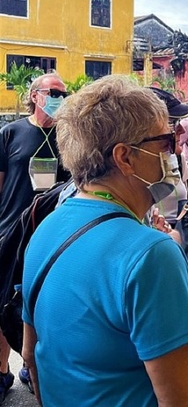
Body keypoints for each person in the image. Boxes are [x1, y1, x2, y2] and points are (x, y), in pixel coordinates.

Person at [22, 75, 188, 406]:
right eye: (166, 142)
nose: (175, 153)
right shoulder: (150, 254)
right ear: (125, 157)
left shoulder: (45, 229)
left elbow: (32, 358)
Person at [0, 72, 71, 399]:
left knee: (45, 303)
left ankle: (33, 367)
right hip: (10, 232)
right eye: (53, 92)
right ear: (35, 95)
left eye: (63, 93)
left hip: (52, 234)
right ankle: (2, 371)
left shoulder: (67, 137)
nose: (59, 98)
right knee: (4, 303)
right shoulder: (11, 133)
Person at [148, 87, 188, 230]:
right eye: (173, 123)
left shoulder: (177, 160)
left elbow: (186, 200)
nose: (181, 129)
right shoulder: (134, 174)